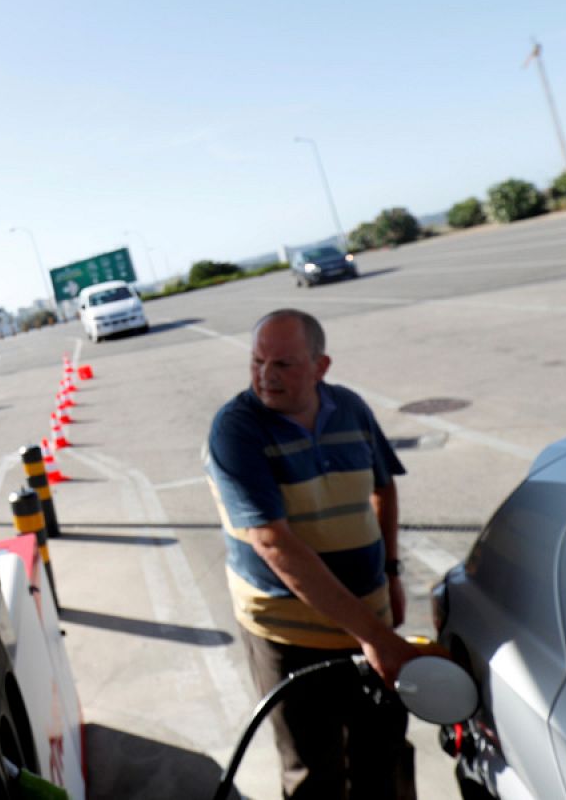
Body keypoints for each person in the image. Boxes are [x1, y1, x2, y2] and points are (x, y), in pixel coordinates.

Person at [205, 308, 428, 799]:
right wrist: (376, 637)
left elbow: (383, 487)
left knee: (384, 753)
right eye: (257, 361)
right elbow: (273, 543)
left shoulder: (350, 408)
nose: (266, 376)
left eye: (283, 364)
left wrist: (390, 574)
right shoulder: (236, 431)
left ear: (320, 367)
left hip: (369, 623)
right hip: (289, 635)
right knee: (314, 774)